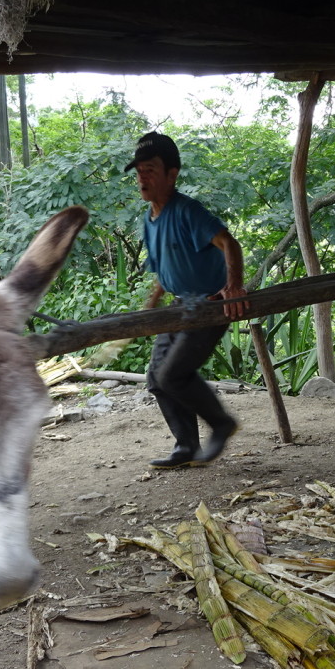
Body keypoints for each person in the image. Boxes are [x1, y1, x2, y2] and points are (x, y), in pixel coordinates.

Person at [124, 131, 249, 469]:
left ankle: (222, 422)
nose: (142, 178)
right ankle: (186, 447)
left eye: (150, 169)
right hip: (179, 306)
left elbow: (229, 243)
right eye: (138, 172)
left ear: (172, 174)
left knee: (173, 375)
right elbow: (163, 270)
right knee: (157, 378)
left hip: (208, 305)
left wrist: (234, 286)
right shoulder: (149, 220)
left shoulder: (187, 210)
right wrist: (149, 309)